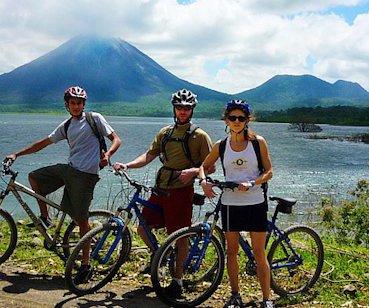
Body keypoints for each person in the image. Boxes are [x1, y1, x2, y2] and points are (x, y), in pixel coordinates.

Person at [5, 85, 121, 283]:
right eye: (72, 103)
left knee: (81, 219)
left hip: (85, 176)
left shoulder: (94, 118)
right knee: (34, 177)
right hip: (69, 170)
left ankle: (86, 265)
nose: (76, 106)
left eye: (79, 103)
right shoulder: (67, 126)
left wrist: (108, 154)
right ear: (67, 105)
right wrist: (17, 154)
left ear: (84, 104)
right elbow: (43, 143)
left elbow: (116, 139)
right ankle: (45, 217)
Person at [114, 89, 213, 297]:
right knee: (143, 228)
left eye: (187, 108)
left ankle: (177, 281)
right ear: (174, 109)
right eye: (179, 108)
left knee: (179, 236)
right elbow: (149, 155)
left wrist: (194, 171)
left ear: (192, 109)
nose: (183, 112)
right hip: (161, 189)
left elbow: (210, 167)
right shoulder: (165, 133)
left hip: (181, 191)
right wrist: (128, 165)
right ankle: (161, 257)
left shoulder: (200, 136)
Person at [199, 100, 274, 308]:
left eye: (241, 118)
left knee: (259, 253)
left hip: (255, 202)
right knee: (232, 253)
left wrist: (252, 182)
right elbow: (203, 167)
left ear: (247, 120)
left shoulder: (258, 142)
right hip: (230, 203)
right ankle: (235, 295)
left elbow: (269, 172)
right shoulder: (221, 146)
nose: (237, 121)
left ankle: (267, 299)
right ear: (226, 120)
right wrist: (204, 182)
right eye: (233, 118)